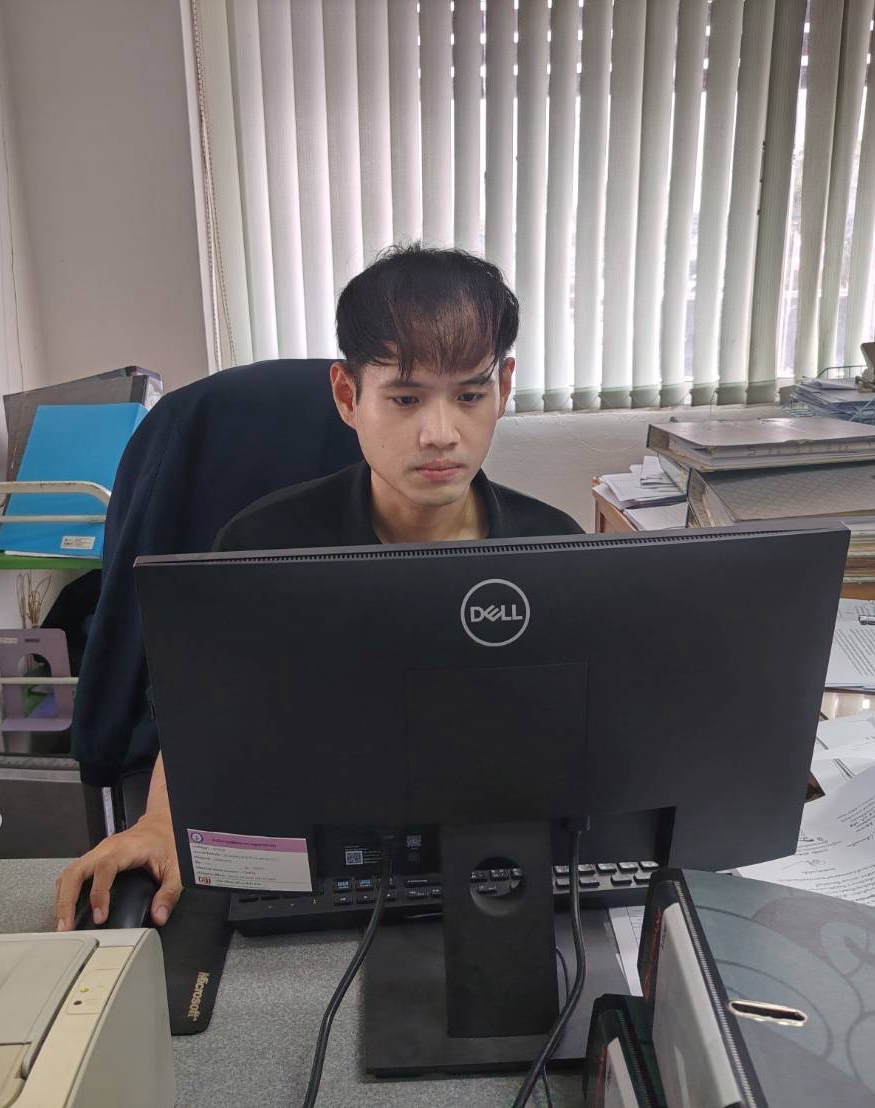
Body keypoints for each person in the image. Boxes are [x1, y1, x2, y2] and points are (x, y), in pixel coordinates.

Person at [53, 245, 583, 931]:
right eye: (404, 398)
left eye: (470, 395)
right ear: (347, 396)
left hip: (499, 870)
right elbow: (202, 716)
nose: (440, 433)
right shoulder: (261, 544)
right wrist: (159, 822)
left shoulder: (554, 549)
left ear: (503, 389)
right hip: (314, 869)